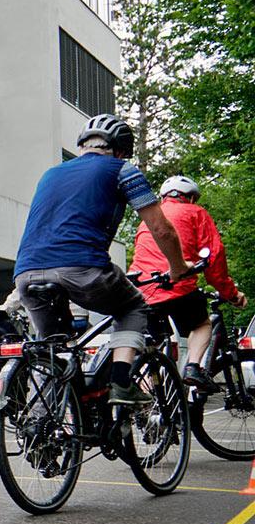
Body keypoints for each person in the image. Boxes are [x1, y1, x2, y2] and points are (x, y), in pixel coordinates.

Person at [14, 114, 190, 406]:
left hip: (27, 274)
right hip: (82, 268)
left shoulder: (50, 174)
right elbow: (161, 228)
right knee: (133, 306)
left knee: (55, 350)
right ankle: (121, 383)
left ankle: (46, 423)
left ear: (83, 144)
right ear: (119, 149)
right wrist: (178, 267)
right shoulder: (122, 170)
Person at [129, 175, 246, 388]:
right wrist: (231, 294)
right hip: (176, 284)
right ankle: (193, 368)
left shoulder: (148, 218)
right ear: (191, 198)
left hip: (142, 289)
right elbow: (214, 257)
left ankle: (146, 402)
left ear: (164, 197)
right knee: (201, 324)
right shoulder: (196, 213)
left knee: (152, 350)